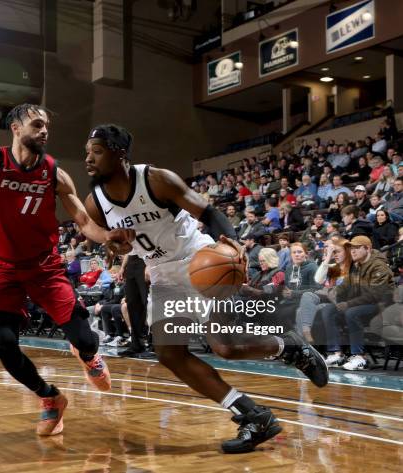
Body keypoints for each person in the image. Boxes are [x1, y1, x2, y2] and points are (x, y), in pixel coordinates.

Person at [0, 20, 134, 437]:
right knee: (4, 346)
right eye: (36, 125)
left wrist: (108, 238)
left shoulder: (54, 173)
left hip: (46, 267)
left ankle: (87, 356)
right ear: (15, 129)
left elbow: (83, 221)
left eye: (46, 126)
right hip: (3, 270)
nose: (44, 131)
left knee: (86, 339)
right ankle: (50, 396)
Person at [83, 123, 328, 454]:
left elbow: (209, 211)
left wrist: (233, 240)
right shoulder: (96, 202)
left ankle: (290, 348)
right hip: (162, 272)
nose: (88, 159)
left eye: (96, 152)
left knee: (223, 346)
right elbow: (117, 243)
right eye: (87, 152)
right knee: (170, 354)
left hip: (197, 260)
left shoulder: (156, 179)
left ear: (119, 153)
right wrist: (116, 246)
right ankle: (253, 415)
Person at [321, 236, 394, 370]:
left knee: (351, 313)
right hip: (361, 303)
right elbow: (346, 284)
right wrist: (334, 292)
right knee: (328, 310)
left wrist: (348, 304)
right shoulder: (357, 265)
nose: (352, 251)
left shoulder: (379, 266)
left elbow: (375, 295)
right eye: (351, 248)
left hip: (381, 306)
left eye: (356, 248)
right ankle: (336, 354)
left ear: (367, 249)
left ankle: (359, 356)